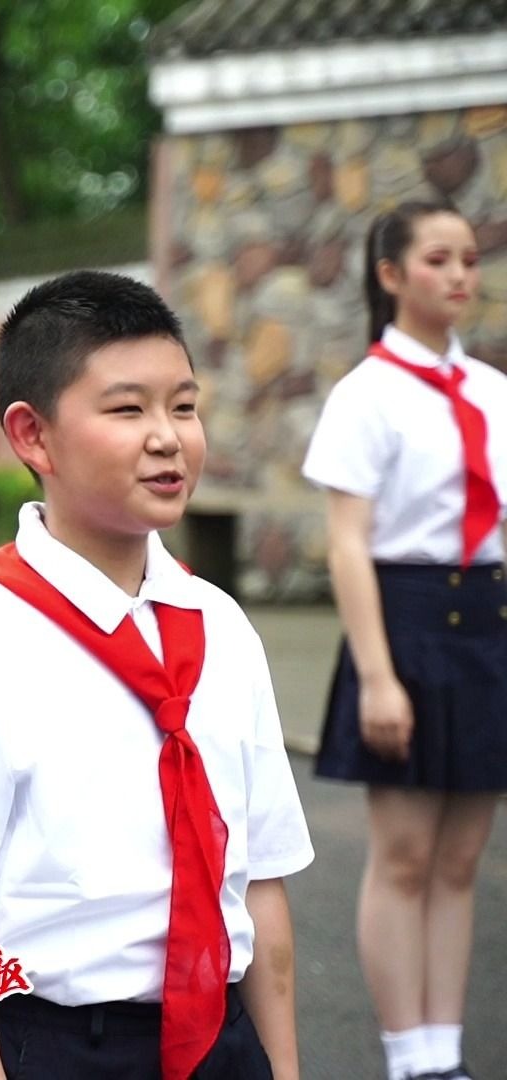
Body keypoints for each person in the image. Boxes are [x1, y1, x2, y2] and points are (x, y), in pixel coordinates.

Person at [0, 270, 314, 1080]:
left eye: (183, 406)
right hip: (52, 1049)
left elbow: (263, 886)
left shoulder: (220, 627)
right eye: (127, 409)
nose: (168, 436)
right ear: (33, 435)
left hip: (221, 1036)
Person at [301, 199, 506, 1080]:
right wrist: (378, 678)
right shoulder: (366, 395)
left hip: (489, 626)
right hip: (407, 622)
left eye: (468, 257)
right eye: (437, 259)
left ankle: (443, 1054)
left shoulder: (497, 394)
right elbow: (348, 542)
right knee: (408, 854)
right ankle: (404, 1058)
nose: (460, 274)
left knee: (461, 857)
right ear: (390, 277)